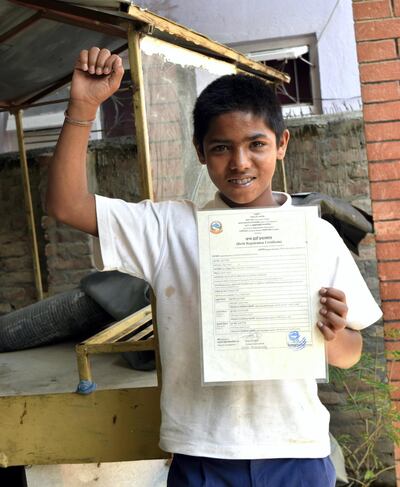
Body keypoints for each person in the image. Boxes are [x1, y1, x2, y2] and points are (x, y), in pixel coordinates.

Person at [47, 47, 382, 486]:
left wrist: (333, 335)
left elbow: (349, 354)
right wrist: (83, 107)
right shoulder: (170, 229)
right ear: (200, 152)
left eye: (256, 144)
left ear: (281, 144)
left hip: (296, 452)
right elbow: (66, 204)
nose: (240, 163)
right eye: (222, 148)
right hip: (202, 452)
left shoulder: (314, 236)